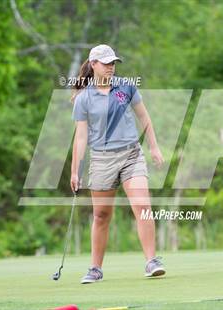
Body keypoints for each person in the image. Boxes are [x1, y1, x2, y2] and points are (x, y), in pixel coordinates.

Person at [70, 44, 165, 284]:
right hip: (101, 159)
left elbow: (144, 117)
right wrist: (75, 171)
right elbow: (81, 138)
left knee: (142, 205)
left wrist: (154, 146)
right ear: (93, 65)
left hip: (131, 154)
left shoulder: (127, 87)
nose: (111, 67)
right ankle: (95, 269)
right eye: (106, 63)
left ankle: (152, 261)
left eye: (113, 63)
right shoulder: (83, 99)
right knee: (101, 215)